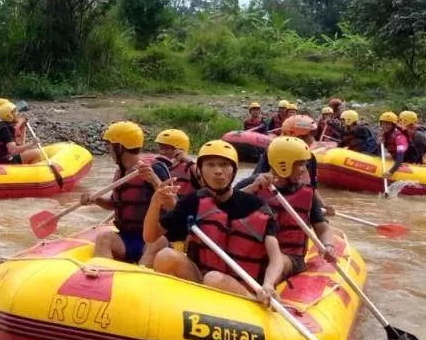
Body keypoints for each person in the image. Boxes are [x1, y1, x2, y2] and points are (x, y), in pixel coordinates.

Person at [143, 140, 284, 304]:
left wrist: (268, 284)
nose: (218, 171)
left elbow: (276, 257)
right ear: (201, 171)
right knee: (166, 256)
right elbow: (150, 237)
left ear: (233, 171)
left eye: (224, 165)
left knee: (214, 279)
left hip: (241, 289)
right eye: (210, 165)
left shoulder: (256, 205)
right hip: (201, 282)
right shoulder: (193, 202)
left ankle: (254, 301)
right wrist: (156, 201)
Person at [238, 137, 337, 280]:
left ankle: (267, 288)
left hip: (291, 258)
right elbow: (224, 206)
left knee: (280, 260)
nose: (304, 170)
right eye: (300, 164)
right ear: (283, 164)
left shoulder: (307, 193)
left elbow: (322, 228)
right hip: (253, 253)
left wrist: (328, 245)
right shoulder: (252, 184)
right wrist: (252, 188)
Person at [84, 122, 171, 264]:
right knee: (103, 238)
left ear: (120, 147)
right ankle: (101, 277)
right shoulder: (121, 173)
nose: (109, 151)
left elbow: (172, 205)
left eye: (110, 146)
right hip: (127, 238)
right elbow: (113, 205)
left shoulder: (156, 168)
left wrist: (154, 179)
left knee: (159, 241)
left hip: (152, 239)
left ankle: (139, 277)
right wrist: (95, 199)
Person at [244, 115, 335, 217]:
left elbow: (312, 188)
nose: (312, 140)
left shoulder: (311, 157)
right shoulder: (272, 152)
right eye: (308, 136)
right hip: (273, 204)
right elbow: (258, 180)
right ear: (295, 137)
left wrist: (322, 206)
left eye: (312, 135)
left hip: (297, 205)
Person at [154, 129, 200, 197]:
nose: (162, 152)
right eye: (160, 148)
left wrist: (189, 161)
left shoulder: (189, 167)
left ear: (179, 150)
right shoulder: (156, 165)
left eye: (166, 148)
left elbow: (205, 179)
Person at [379, 111, 410, 178]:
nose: (384, 126)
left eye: (387, 124)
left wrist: (390, 172)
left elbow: (400, 158)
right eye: (383, 124)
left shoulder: (399, 138)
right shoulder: (386, 134)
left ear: (393, 125)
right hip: (394, 157)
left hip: (406, 160)